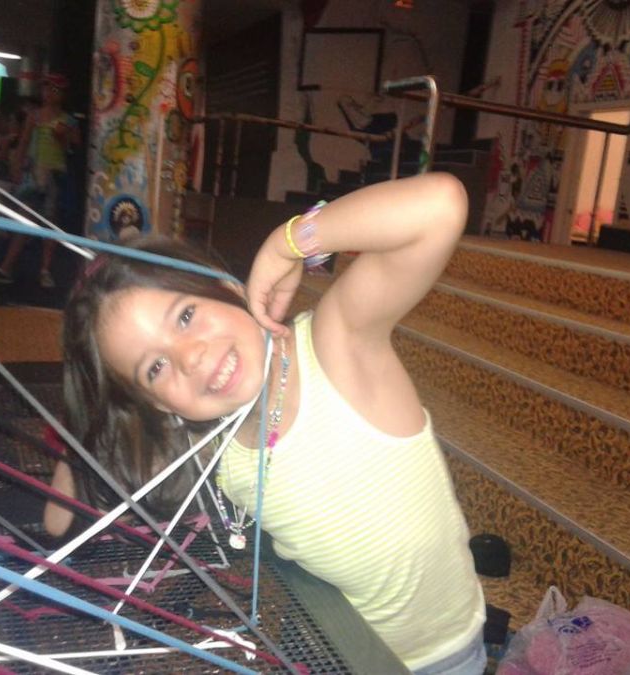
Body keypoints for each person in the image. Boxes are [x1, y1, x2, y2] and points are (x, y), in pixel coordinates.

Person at [46, 173, 487, 674]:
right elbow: (60, 519)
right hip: (337, 649)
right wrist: (84, 412)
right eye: (155, 367)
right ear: (160, 406)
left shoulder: (336, 342)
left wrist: (289, 242)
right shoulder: (210, 442)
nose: (191, 358)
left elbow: (440, 205)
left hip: (440, 657)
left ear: (226, 286)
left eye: (186, 316)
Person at [0, 73, 79, 289]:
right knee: (26, 219)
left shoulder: (68, 121)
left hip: (54, 175)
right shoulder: (34, 116)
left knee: (50, 221)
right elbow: (23, 143)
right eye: (46, 89)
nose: (49, 94)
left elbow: (74, 145)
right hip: (34, 174)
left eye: (54, 90)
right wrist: (17, 167)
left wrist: (63, 136)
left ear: (62, 94)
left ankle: (43, 269)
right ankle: (10, 267)